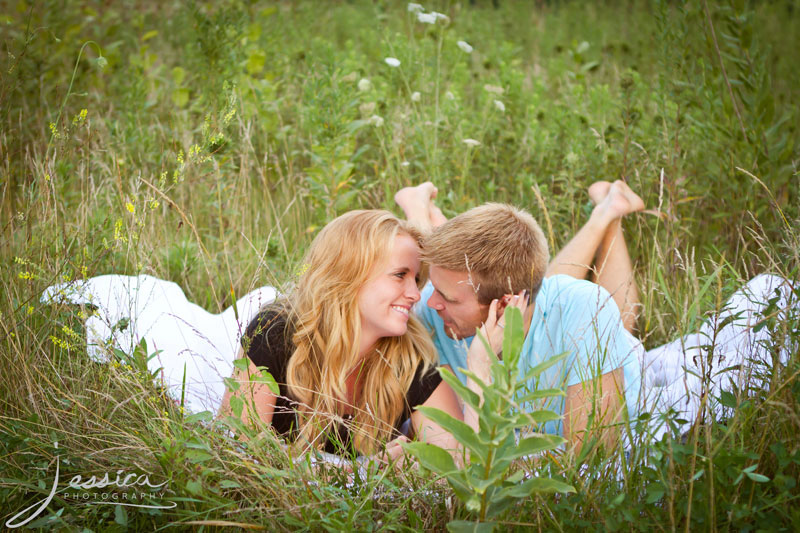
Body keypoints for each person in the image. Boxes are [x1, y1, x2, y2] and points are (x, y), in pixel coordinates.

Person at [394, 181, 797, 447]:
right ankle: (609, 211)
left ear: (503, 307)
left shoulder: (583, 308)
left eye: (446, 297)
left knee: (600, 314)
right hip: (545, 312)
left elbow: (590, 458)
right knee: (561, 297)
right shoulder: (438, 311)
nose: (427, 303)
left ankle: (609, 213)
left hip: (631, 385)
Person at [218, 210, 462, 461]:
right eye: (400, 275)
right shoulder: (277, 331)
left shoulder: (410, 354)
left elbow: (454, 458)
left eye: (417, 279)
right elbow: (236, 445)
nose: (415, 294)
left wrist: (405, 466)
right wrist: (348, 472)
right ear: (350, 273)